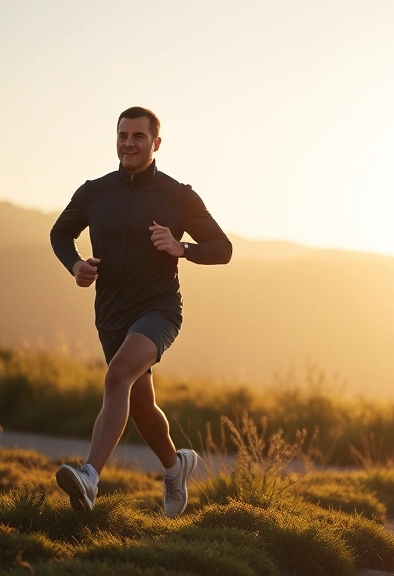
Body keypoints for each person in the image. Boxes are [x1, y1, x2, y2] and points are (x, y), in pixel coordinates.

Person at [49, 106, 232, 517]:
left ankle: (90, 477)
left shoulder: (178, 195)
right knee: (141, 406)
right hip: (111, 313)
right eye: (122, 136)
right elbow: (60, 232)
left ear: (156, 143)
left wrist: (181, 247)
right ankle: (175, 466)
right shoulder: (94, 191)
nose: (129, 143)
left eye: (138, 137)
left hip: (159, 310)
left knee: (117, 376)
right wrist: (76, 264)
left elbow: (223, 249)